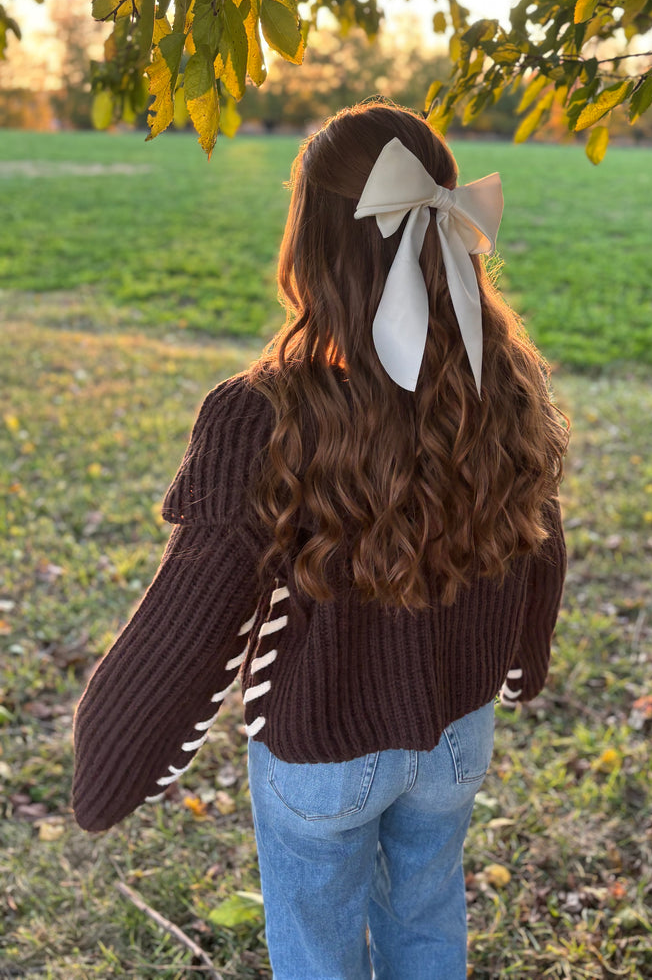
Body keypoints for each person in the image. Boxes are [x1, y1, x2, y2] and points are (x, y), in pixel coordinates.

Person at [72, 100, 569, 979]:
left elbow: (191, 616)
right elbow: (538, 528)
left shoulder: (258, 412)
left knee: (317, 942)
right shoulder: (502, 375)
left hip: (323, 743)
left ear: (313, 242)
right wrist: (524, 654)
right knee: (425, 908)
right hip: (460, 730)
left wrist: (112, 753)